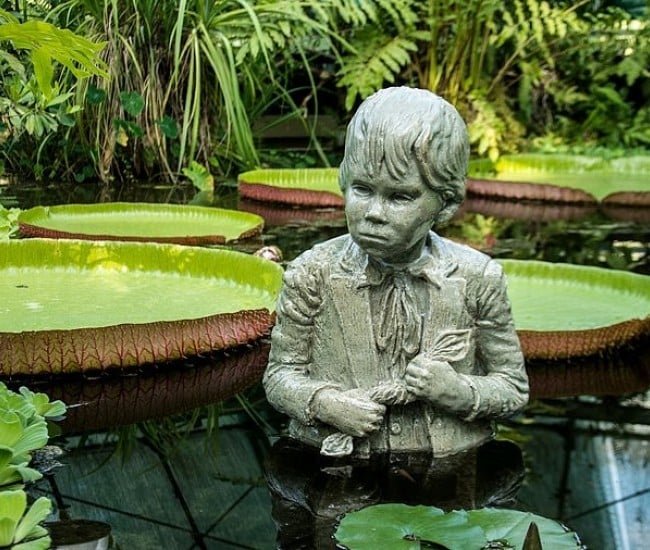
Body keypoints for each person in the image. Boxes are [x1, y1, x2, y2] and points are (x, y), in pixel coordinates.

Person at [263, 87, 529, 459]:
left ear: (445, 204)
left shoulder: (478, 278)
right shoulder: (312, 274)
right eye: (362, 189)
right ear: (344, 182)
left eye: (399, 197)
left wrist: (458, 392)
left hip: (450, 465)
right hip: (339, 463)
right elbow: (278, 377)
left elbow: (513, 389)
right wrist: (325, 404)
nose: (374, 212)